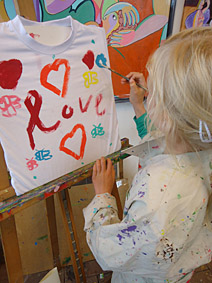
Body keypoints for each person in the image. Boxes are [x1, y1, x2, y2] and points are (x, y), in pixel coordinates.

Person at [83, 27, 212, 283]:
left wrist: (103, 197)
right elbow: (162, 145)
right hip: (177, 270)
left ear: (167, 115)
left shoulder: (156, 197)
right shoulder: (200, 143)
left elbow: (108, 252)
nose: (148, 90)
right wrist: (139, 105)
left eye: (155, 91)